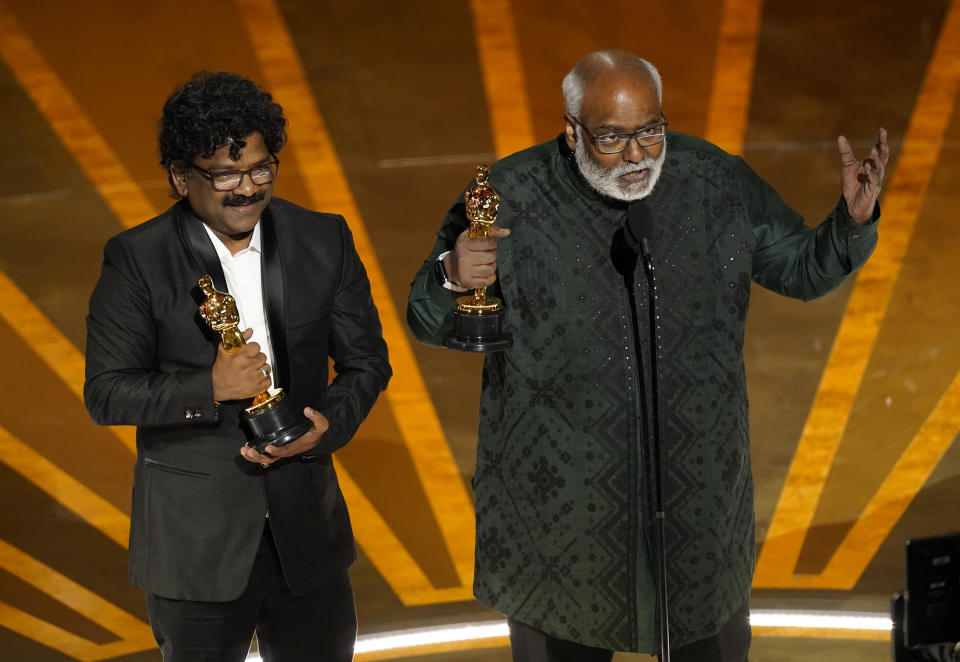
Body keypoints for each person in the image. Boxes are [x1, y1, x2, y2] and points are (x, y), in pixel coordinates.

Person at [407, 49, 888, 662]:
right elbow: (429, 319)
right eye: (611, 138)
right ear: (571, 130)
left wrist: (852, 220)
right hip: (561, 525)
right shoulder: (509, 197)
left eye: (650, 131)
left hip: (695, 509)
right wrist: (451, 273)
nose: (637, 155)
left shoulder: (715, 179)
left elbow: (798, 268)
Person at [84, 71, 391, 661]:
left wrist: (328, 427)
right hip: (195, 546)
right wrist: (210, 386)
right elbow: (106, 393)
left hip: (308, 536)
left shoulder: (323, 238)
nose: (247, 189)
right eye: (225, 174)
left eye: (259, 170)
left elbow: (365, 362)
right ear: (180, 177)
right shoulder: (137, 260)